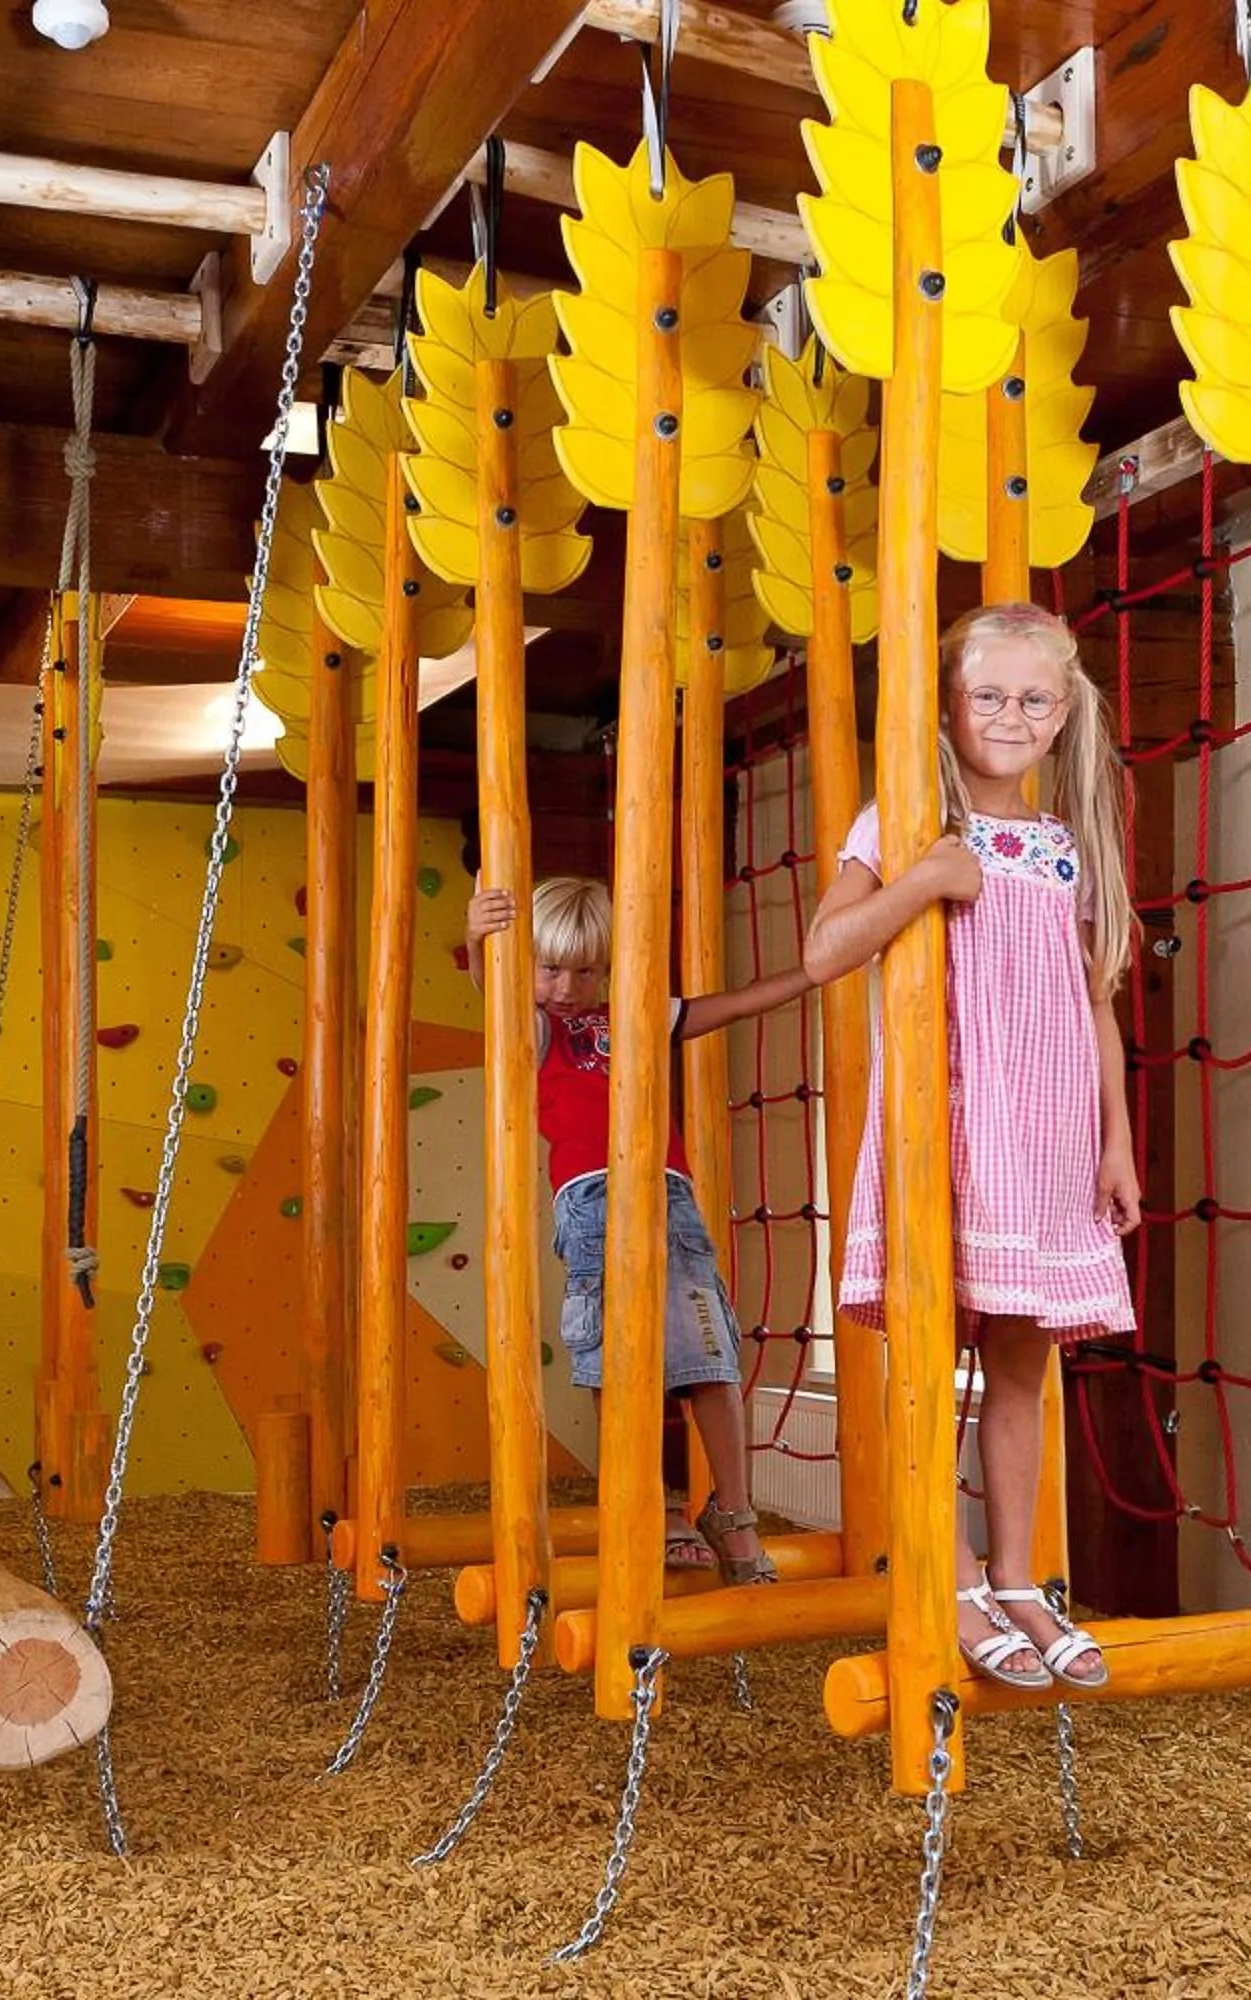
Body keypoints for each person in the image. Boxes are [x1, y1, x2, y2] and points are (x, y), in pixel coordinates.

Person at [803, 602, 1141, 1690]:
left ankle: (1018, 1579)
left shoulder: (1065, 848)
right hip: (946, 1129)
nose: (1010, 715)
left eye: (1034, 699)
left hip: (1049, 1138)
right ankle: (948, 1580)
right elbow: (823, 952)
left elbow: (1096, 1006)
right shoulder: (902, 825)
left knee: (1021, 1371)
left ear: (1064, 713)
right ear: (949, 704)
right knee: (928, 1362)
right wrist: (923, 881)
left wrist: (1117, 1141)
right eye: (987, 694)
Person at [465, 874, 817, 1581]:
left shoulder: (634, 1013)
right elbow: (492, 991)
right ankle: (651, 1508)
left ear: (607, 968)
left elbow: (730, 1004)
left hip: (669, 1193)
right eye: (550, 968)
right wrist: (478, 939)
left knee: (709, 1356)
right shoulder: (539, 1028)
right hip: (593, 1198)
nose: (568, 987)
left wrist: (813, 971)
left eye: (586, 971)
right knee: (620, 1360)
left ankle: (733, 1513)